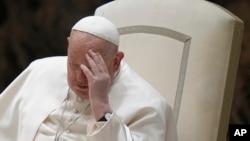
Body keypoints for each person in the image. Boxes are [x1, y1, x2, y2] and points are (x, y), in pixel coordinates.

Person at [0, 16, 178, 141]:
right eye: (74, 64)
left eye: (90, 69)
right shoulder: (40, 71)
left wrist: (101, 104)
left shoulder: (149, 105)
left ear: (116, 62)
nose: (79, 78)